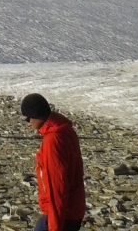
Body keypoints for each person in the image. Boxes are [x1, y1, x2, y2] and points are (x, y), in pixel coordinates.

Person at [20, 93, 86, 231]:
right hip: (74, 208)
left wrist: (54, 226)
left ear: (36, 115)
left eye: (28, 118)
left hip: (63, 214)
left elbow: (57, 188)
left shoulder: (52, 141)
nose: (28, 123)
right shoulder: (66, 131)